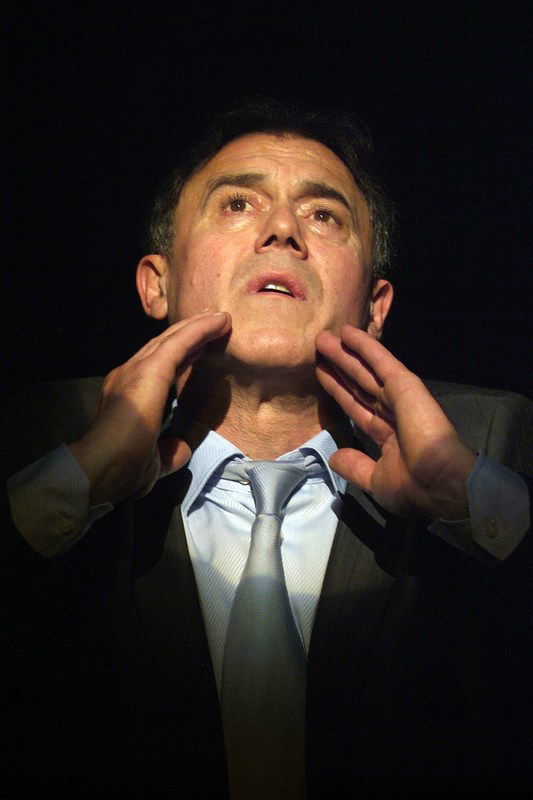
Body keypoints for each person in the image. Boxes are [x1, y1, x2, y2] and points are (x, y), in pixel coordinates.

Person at [4, 101, 531, 799]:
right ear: (156, 283)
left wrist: (468, 498)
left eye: (324, 216)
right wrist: (80, 478)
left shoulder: (495, 441)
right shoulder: (34, 435)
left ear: (375, 307)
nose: (283, 229)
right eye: (236, 205)